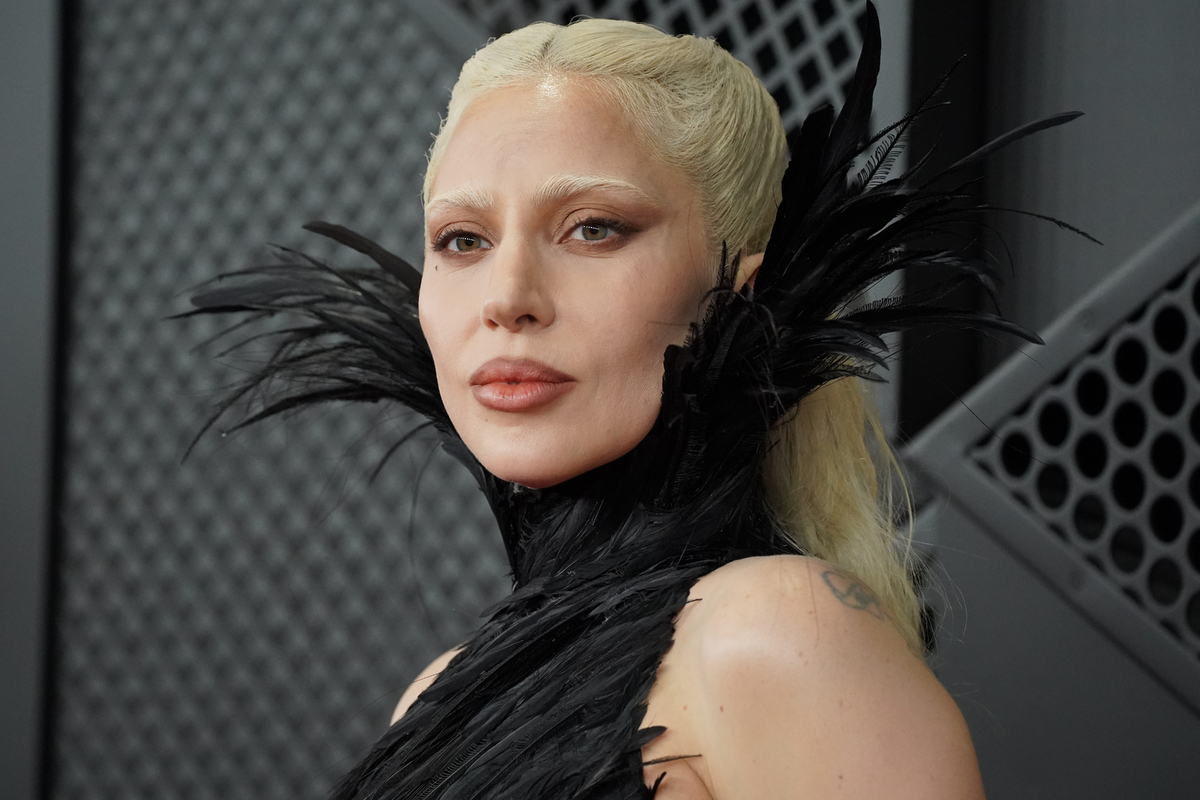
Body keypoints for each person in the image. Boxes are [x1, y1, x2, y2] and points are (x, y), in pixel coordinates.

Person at [188, 4, 1070, 797]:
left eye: (593, 228)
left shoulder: (776, 633)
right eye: (462, 240)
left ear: (740, 292)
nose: (508, 297)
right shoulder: (435, 693)